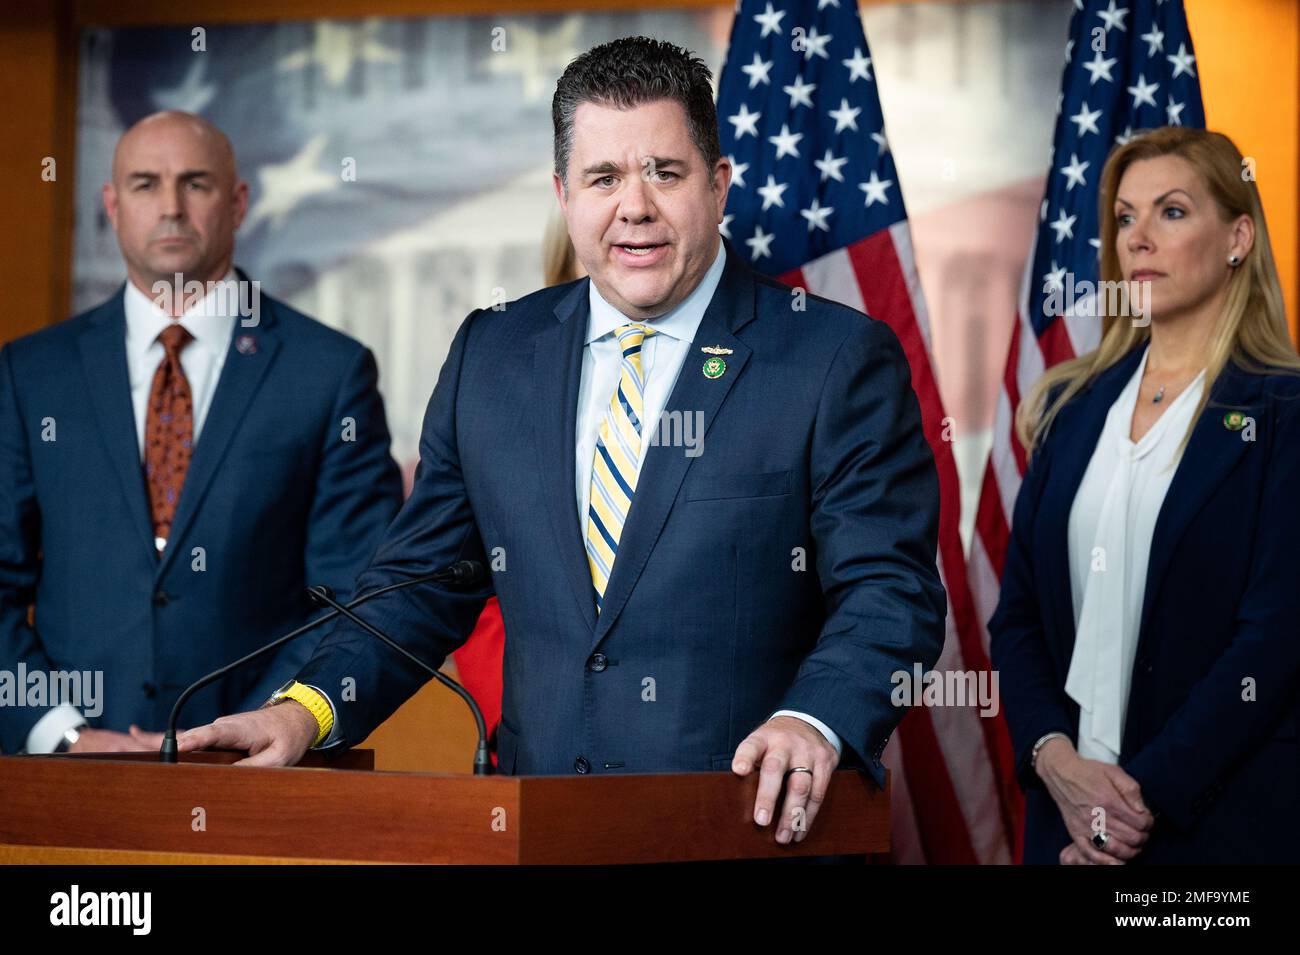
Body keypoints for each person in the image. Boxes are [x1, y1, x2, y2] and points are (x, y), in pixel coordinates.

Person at [181, 37, 945, 847]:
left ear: (718, 186)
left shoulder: (831, 359)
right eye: (603, 178)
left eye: (665, 171)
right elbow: (418, 585)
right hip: (536, 832)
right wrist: (305, 711)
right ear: (563, 193)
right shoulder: (493, 355)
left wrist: (813, 718)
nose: (635, 205)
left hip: (743, 832)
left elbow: (889, 591)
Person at [0, 111, 403, 755]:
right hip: (67, 780)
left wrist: (261, 723)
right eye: (143, 184)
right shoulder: (31, 374)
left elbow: (351, 594)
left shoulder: (327, 371)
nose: (170, 207)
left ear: (238, 202)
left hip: (261, 777)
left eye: (195, 183)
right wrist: (63, 733)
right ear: (110, 204)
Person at [990, 126, 1300, 864]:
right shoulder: (1072, 408)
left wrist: (1130, 806)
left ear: (1238, 236)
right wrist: (1057, 764)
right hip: (1062, 825)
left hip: (1212, 834)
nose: (1138, 238)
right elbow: (1018, 619)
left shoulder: (1283, 416)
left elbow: (1275, 641)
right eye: (1126, 218)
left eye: (1171, 211)